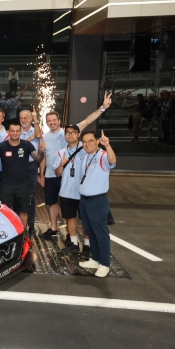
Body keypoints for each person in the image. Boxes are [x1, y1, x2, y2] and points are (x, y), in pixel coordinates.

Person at [39, 92, 112, 239]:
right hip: (52, 174)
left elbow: (88, 120)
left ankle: (75, 237)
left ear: (59, 120)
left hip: (71, 177)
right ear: (46, 122)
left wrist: (102, 108)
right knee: (53, 203)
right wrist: (42, 174)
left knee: (74, 207)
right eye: (49, 121)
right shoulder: (44, 136)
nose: (52, 122)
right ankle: (54, 228)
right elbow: (44, 157)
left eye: (54, 120)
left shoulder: (69, 131)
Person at [0, 123, 45, 228]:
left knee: (24, 212)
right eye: (12, 131)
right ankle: (10, 233)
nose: (15, 133)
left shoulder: (27, 145)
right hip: (7, 185)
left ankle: (22, 235)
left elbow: (38, 159)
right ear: (8, 132)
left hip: (24, 185)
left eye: (17, 131)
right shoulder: (2, 146)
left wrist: (41, 151)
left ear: (20, 132)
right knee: (5, 212)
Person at [78, 131, 116, 277]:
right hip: (85, 200)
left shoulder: (102, 155)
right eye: (84, 141)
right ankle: (95, 258)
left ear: (97, 141)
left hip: (97, 200)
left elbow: (112, 161)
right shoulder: (87, 156)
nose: (87, 144)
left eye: (90, 141)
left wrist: (108, 146)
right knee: (90, 230)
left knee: (101, 233)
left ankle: (104, 264)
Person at [52, 124, 86, 255]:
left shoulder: (85, 150)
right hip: (66, 192)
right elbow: (58, 173)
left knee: (85, 220)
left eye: (73, 132)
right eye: (67, 132)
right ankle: (73, 243)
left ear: (78, 134)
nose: (70, 135)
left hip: (83, 192)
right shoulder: (61, 152)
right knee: (70, 218)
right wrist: (62, 163)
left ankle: (87, 246)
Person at [18, 110, 41, 233]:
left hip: (31, 166)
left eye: (26, 117)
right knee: (18, 196)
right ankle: (19, 224)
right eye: (21, 118)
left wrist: (36, 118)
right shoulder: (17, 131)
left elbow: (38, 136)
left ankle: (31, 224)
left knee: (31, 196)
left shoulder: (35, 130)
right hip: (18, 166)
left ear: (30, 119)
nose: (23, 120)